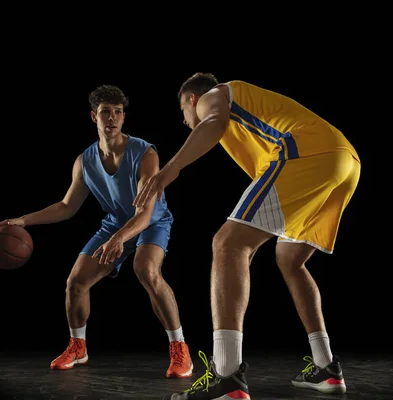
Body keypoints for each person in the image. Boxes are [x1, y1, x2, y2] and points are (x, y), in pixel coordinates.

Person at [133, 73, 361, 399]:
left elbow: (211, 120)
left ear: (192, 100)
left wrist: (171, 169)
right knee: (290, 260)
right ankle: (327, 368)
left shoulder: (216, 94)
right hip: (345, 161)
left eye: (184, 111)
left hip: (308, 152)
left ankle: (226, 376)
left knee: (228, 243)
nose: (185, 121)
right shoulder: (247, 114)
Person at [0, 84, 194, 379]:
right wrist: (23, 220)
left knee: (146, 269)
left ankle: (180, 348)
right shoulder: (85, 161)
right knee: (75, 282)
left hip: (151, 223)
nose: (112, 118)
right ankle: (78, 346)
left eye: (118, 112)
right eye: (105, 112)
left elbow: (145, 213)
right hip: (115, 224)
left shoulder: (144, 153)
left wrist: (119, 239)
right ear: (93, 117)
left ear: (124, 117)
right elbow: (66, 206)